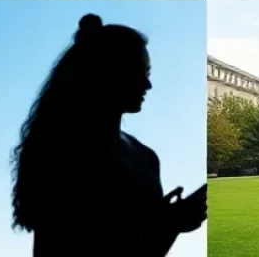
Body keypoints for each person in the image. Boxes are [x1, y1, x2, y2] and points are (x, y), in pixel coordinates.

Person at [12, 14, 206, 257]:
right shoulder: (66, 155)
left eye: (148, 73)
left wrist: (170, 224)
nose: (148, 85)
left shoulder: (143, 157)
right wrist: (169, 224)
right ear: (108, 72)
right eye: (140, 72)